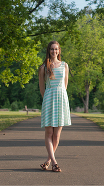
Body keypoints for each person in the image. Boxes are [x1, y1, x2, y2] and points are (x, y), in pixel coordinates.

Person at [38, 41, 71, 172]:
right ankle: (54, 163)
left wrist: (60, 96)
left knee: (57, 135)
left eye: (56, 49)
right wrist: (47, 99)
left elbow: (65, 85)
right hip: (49, 99)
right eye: (52, 49)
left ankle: (48, 161)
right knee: (49, 132)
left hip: (61, 99)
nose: (54, 51)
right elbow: (42, 88)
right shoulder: (43, 67)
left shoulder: (65, 65)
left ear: (59, 50)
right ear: (49, 51)